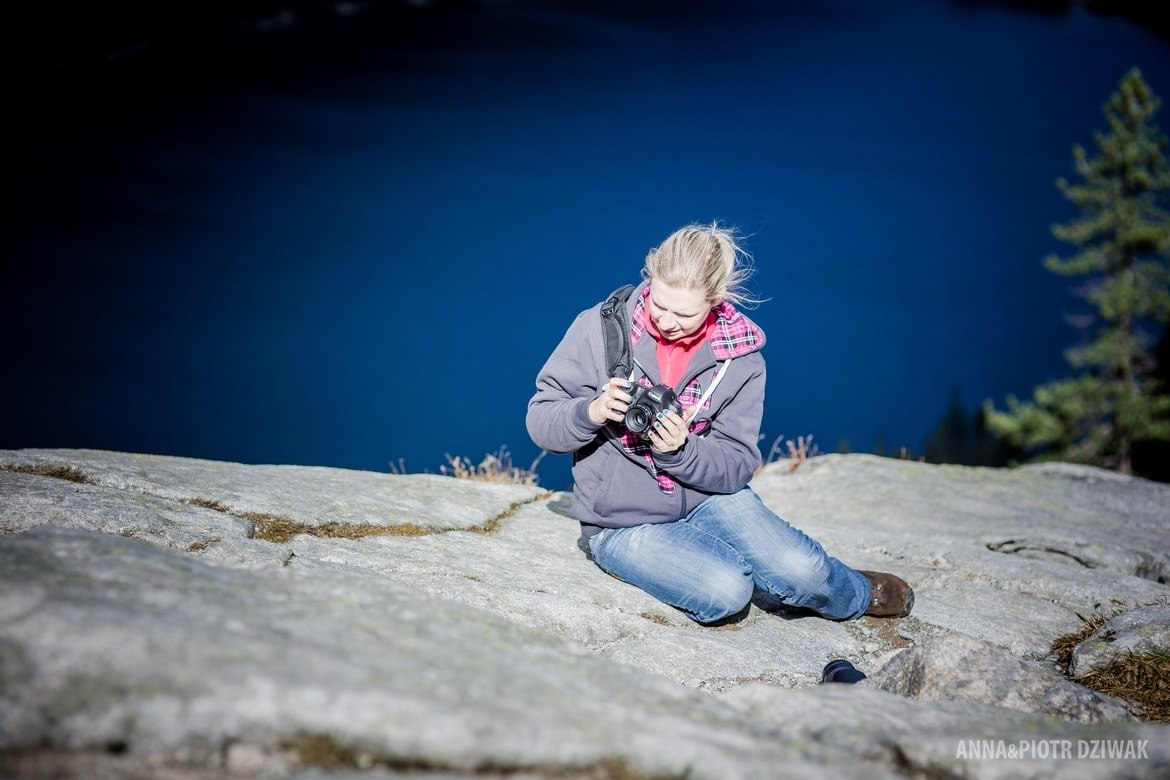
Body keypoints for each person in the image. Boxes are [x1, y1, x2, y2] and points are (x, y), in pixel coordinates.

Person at [526, 223, 913, 624]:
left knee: (804, 572)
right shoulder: (600, 329)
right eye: (659, 304)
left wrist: (682, 450)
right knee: (726, 591)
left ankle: (856, 593)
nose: (667, 321)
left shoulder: (741, 359)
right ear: (650, 277)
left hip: (707, 496)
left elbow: (738, 463)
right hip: (620, 523)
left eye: (685, 313)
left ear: (715, 301)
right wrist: (590, 411)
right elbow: (539, 420)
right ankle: (746, 572)